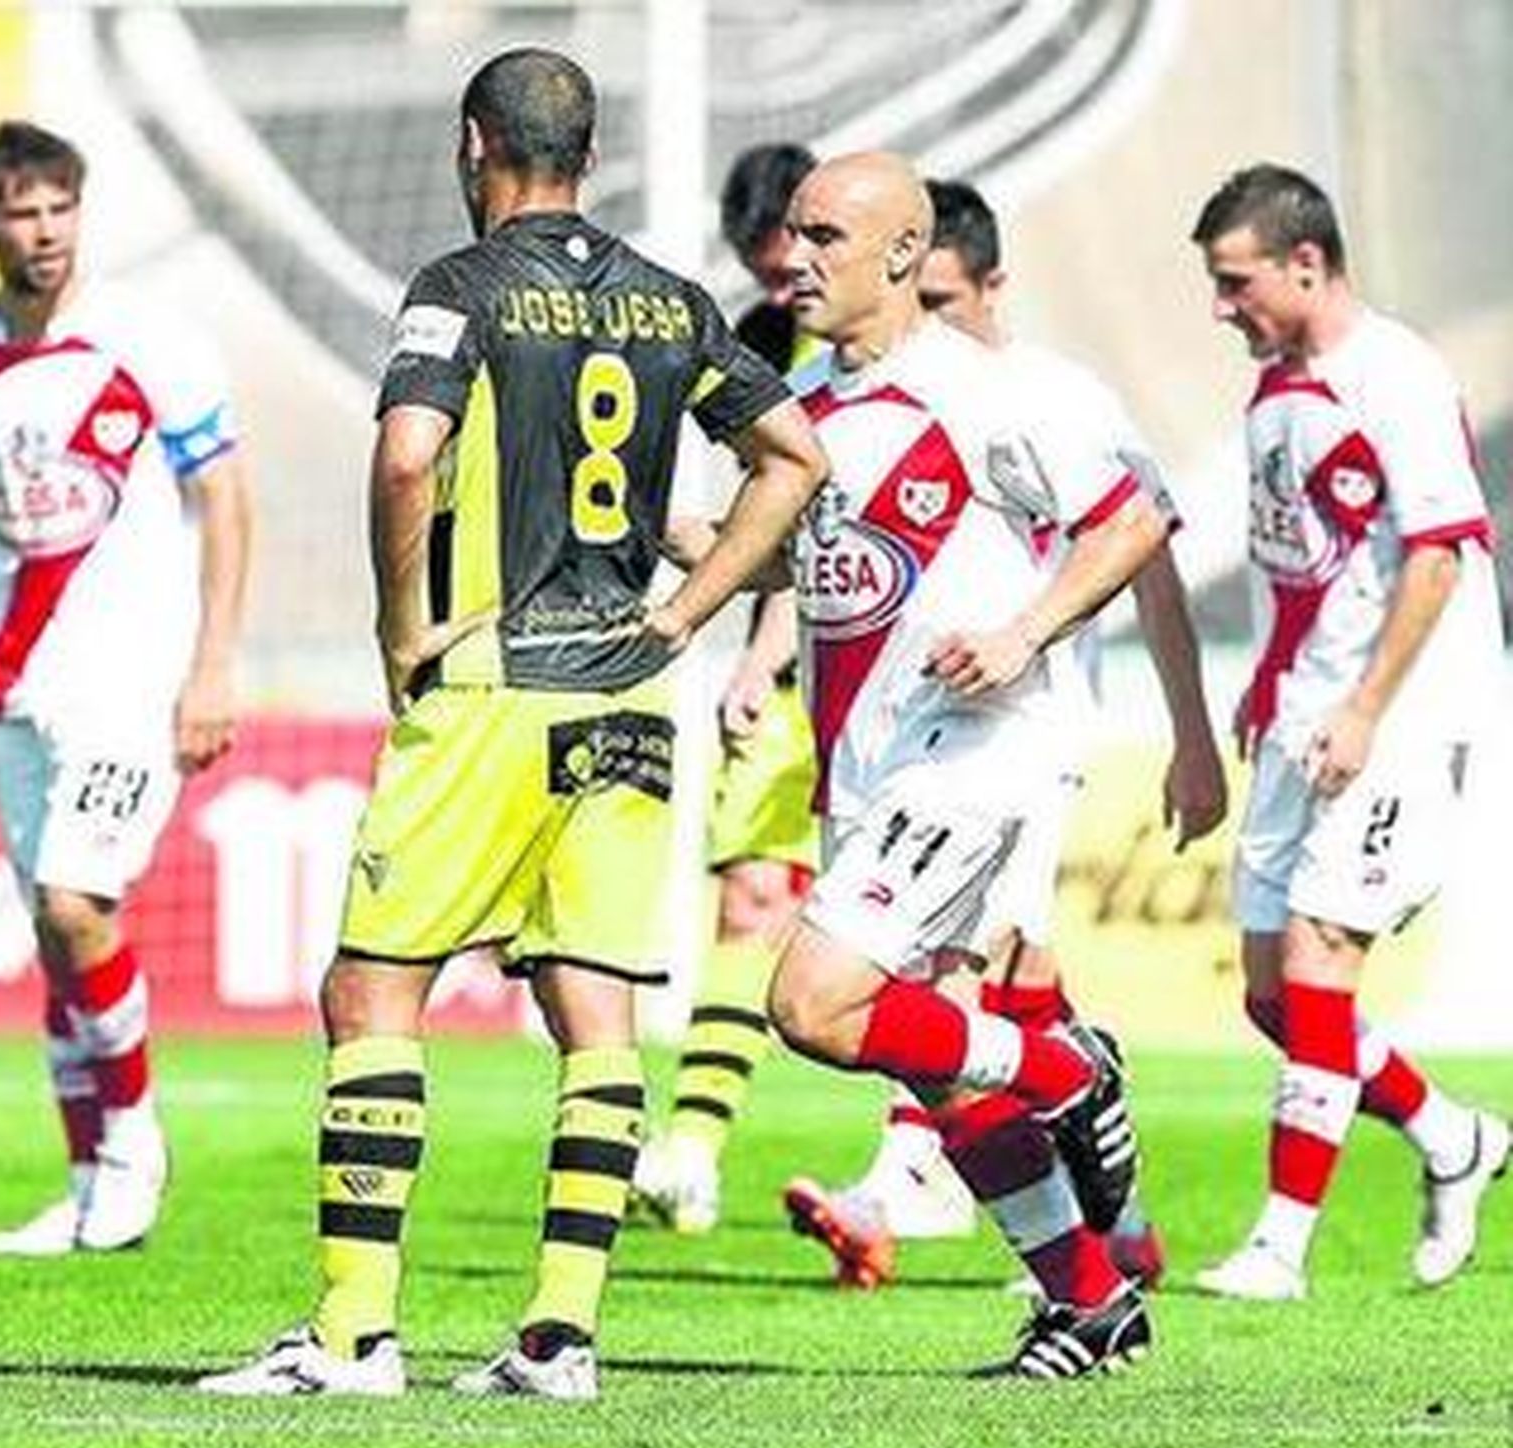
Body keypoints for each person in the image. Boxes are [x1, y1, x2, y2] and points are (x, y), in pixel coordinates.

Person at [197, 49, 825, 1402]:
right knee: (595, 1011)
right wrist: (690, 608)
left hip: (493, 682)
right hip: (629, 697)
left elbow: (406, 453)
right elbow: (796, 458)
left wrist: (400, 626)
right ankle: (559, 1336)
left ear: (472, 143)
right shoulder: (669, 300)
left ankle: (354, 1335)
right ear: (587, 153)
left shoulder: (459, 288)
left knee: (372, 990)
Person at [765, 151, 1170, 1377]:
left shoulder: (985, 393)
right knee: (925, 1051)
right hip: (863, 761)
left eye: (823, 236)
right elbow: (800, 552)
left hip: (966, 751)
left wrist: (1021, 631)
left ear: (902, 253)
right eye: (792, 233)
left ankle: (1063, 1066)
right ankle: (1090, 1302)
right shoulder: (810, 404)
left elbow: (1131, 520)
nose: (794, 257)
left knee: (811, 1002)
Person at [0, 121, 251, 1256]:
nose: (47, 231)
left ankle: (134, 1146)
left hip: (132, 681)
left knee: (75, 903)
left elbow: (228, 498)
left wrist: (214, 663)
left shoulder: (147, 339)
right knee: (53, 938)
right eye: (23, 213)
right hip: (17, 690)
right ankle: (87, 1176)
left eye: (61, 208)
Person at [1188, 164, 1506, 1301]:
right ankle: (1454, 1137)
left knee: (1321, 958)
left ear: (1307, 264)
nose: (1221, 307)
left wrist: (1366, 707)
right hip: (1301, 710)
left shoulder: (1395, 376)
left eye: (1236, 283)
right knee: (1271, 995)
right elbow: (1306, 560)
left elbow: (1438, 555)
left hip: (1397, 718)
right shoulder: (1277, 387)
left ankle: (1279, 1247)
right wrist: (1268, 676)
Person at [630, 142, 825, 1235]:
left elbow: (834, 521)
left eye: (793, 253)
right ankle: (692, 1153)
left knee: (962, 939)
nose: (782, 281)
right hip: (793, 664)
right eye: (761, 264)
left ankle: (947, 1166)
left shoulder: (898, 343)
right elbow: (772, 523)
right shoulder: (757, 341)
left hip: (906, 666)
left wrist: (754, 647)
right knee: (751, 894)